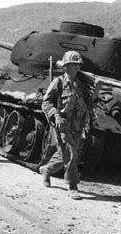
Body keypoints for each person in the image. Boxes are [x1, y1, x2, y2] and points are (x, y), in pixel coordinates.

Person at [39, 51, 95, 200]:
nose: (77, 67)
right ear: (66, 66)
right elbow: (46, 103)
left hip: (77, 126)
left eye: (78, 65)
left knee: (67, 154)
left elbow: (88, 106)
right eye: (73, 64)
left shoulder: (82, 85)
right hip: (62, 125)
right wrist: (55, 115)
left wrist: (96, 94)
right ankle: (72, 185)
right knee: (70, 153)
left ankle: (46, 169)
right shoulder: (58, 83)